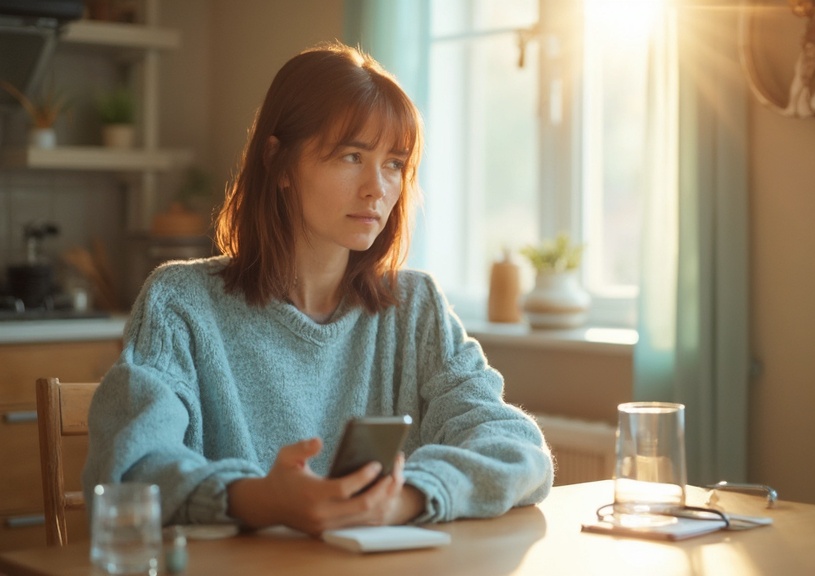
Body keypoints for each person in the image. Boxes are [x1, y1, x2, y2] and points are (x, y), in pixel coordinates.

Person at [82, 41, 554, 535]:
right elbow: (129, 468)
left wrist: (407, 497)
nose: (377, 187)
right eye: (352, 156)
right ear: (280, 163)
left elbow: (516, 447)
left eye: (394, 163)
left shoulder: (416, 309)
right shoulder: (179, 303)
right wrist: (260, 500)